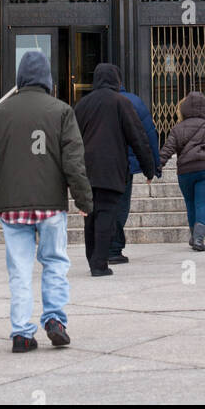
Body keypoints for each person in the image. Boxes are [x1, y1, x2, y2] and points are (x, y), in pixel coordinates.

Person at [0, 50, 92, 352]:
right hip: (51, 204)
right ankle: (54, 319)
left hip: (12, 206)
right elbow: (73, 162)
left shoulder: (0, 113)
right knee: (54, 261)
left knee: (19, 268)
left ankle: (21, 333)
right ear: (47, 79)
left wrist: (0, 191)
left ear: (19, 79)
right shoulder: (61, 111)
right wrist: (83, 199)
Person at [74, 64, 155, 276]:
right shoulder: (122, 103)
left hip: (87, 170)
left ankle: (92, 258)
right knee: (107, 215)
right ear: (116, 80)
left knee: (90, 216)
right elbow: (138, 138)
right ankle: (99, 264)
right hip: (112, 170)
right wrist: (149, 168)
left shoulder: (82, 105)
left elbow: (71, 140)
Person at [159, 92, 205, 252]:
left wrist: (157, 166)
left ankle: (194, 237)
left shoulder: (177, 129)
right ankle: (198, 238)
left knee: (190, 203)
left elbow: (167, 150)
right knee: (202, 203)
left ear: (183, 110)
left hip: (185, 171)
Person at [108, 82, 162, 266]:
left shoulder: (95, 102)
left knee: (104, 205)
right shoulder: (134, 102)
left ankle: (107, 245)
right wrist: (154, 165)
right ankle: (113, 247)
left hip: (100, 165)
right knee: (121, 205)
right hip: (126, 165)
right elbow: (148, 134)